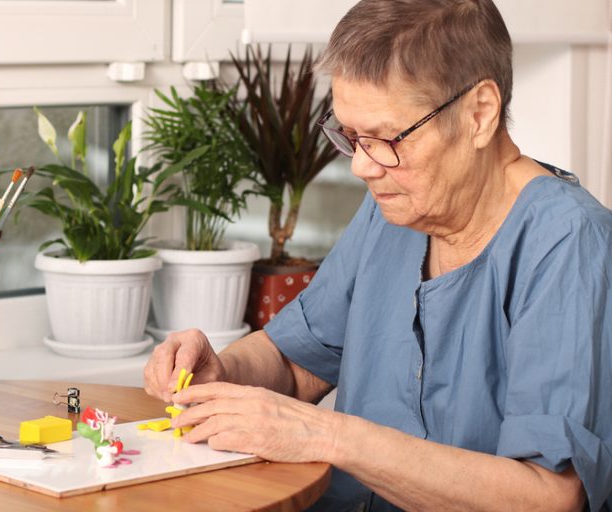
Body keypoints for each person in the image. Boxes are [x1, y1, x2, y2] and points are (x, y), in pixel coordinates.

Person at [143, 0, 612, 510]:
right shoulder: (395, 206)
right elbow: (297, 360)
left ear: (480, 114)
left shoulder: (569, 241)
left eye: (387, 138)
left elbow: (549, 497)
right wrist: (223, 371)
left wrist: (326, 436)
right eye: (350, 136)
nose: (362, 167)